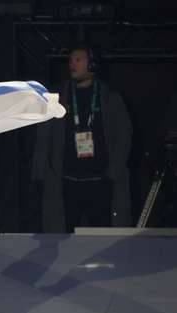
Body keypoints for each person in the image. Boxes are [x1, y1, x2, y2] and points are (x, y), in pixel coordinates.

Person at [32, 45, 133, 232]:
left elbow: (124, 135)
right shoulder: (57, 98)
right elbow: (43, 138)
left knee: (101, 238)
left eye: (78, 60)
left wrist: (112, 173)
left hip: (100, 182)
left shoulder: (110, 98)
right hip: (67, 182)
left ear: (92, 65)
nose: (72, 64)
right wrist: (40, 174)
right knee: (66, 238)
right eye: (70, 60)